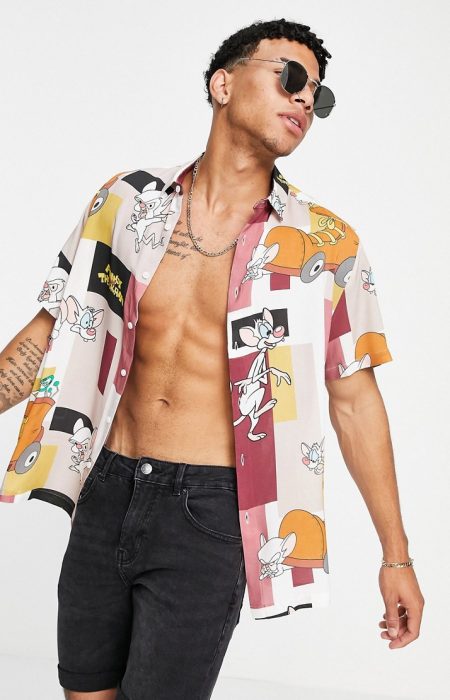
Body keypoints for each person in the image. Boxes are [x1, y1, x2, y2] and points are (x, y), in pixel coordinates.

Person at [0, 17, 424, 700]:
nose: (304, 99)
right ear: (222, 84)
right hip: (107, 486)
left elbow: (354, 400)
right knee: (84, 692)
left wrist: (395, 557)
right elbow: (52, 331)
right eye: (290, 77)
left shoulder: (325, 246)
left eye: (317, 94)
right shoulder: (125, 203)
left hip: (209, 511)